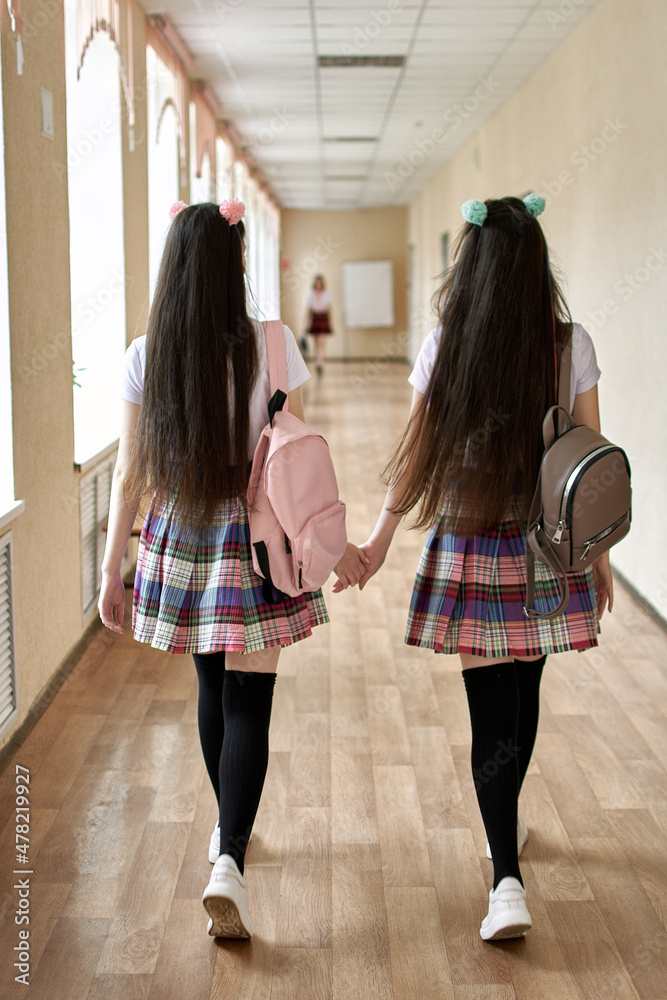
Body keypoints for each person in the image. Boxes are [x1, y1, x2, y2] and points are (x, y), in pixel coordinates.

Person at [339, 195, 614, 941]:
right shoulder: (569, 343)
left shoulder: (445, 343)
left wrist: (377, 542)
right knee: (520, 699)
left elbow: (416, 457)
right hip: (546, 549)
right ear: (534, 267)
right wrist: (599, 556)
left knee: (491, 709)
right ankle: (504, 850)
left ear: (472, 266)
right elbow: (588, 461)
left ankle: (504, 879)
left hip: (469, 543)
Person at [98, 198, 366, 940]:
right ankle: (231, 860)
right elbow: (289, 451)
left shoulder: (147, 352)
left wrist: (110, 567)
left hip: (180, 532)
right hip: (256, 533)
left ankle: (226, 836)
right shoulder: (275, 344)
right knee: (251, 694)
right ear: (237, 262)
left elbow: (129, 476)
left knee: (210, 683)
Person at [304, 274, 333, 374]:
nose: (318, 285)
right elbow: (309, 310)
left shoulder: (326, 294)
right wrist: (307, 324)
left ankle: (320, 362)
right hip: (315, 318)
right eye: (317, 283)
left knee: (321, 342)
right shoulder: (310, 294)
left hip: (323, 318)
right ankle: (317, 361)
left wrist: (330, 323)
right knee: (316, 343)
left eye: (320, 283)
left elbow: (329, 310)